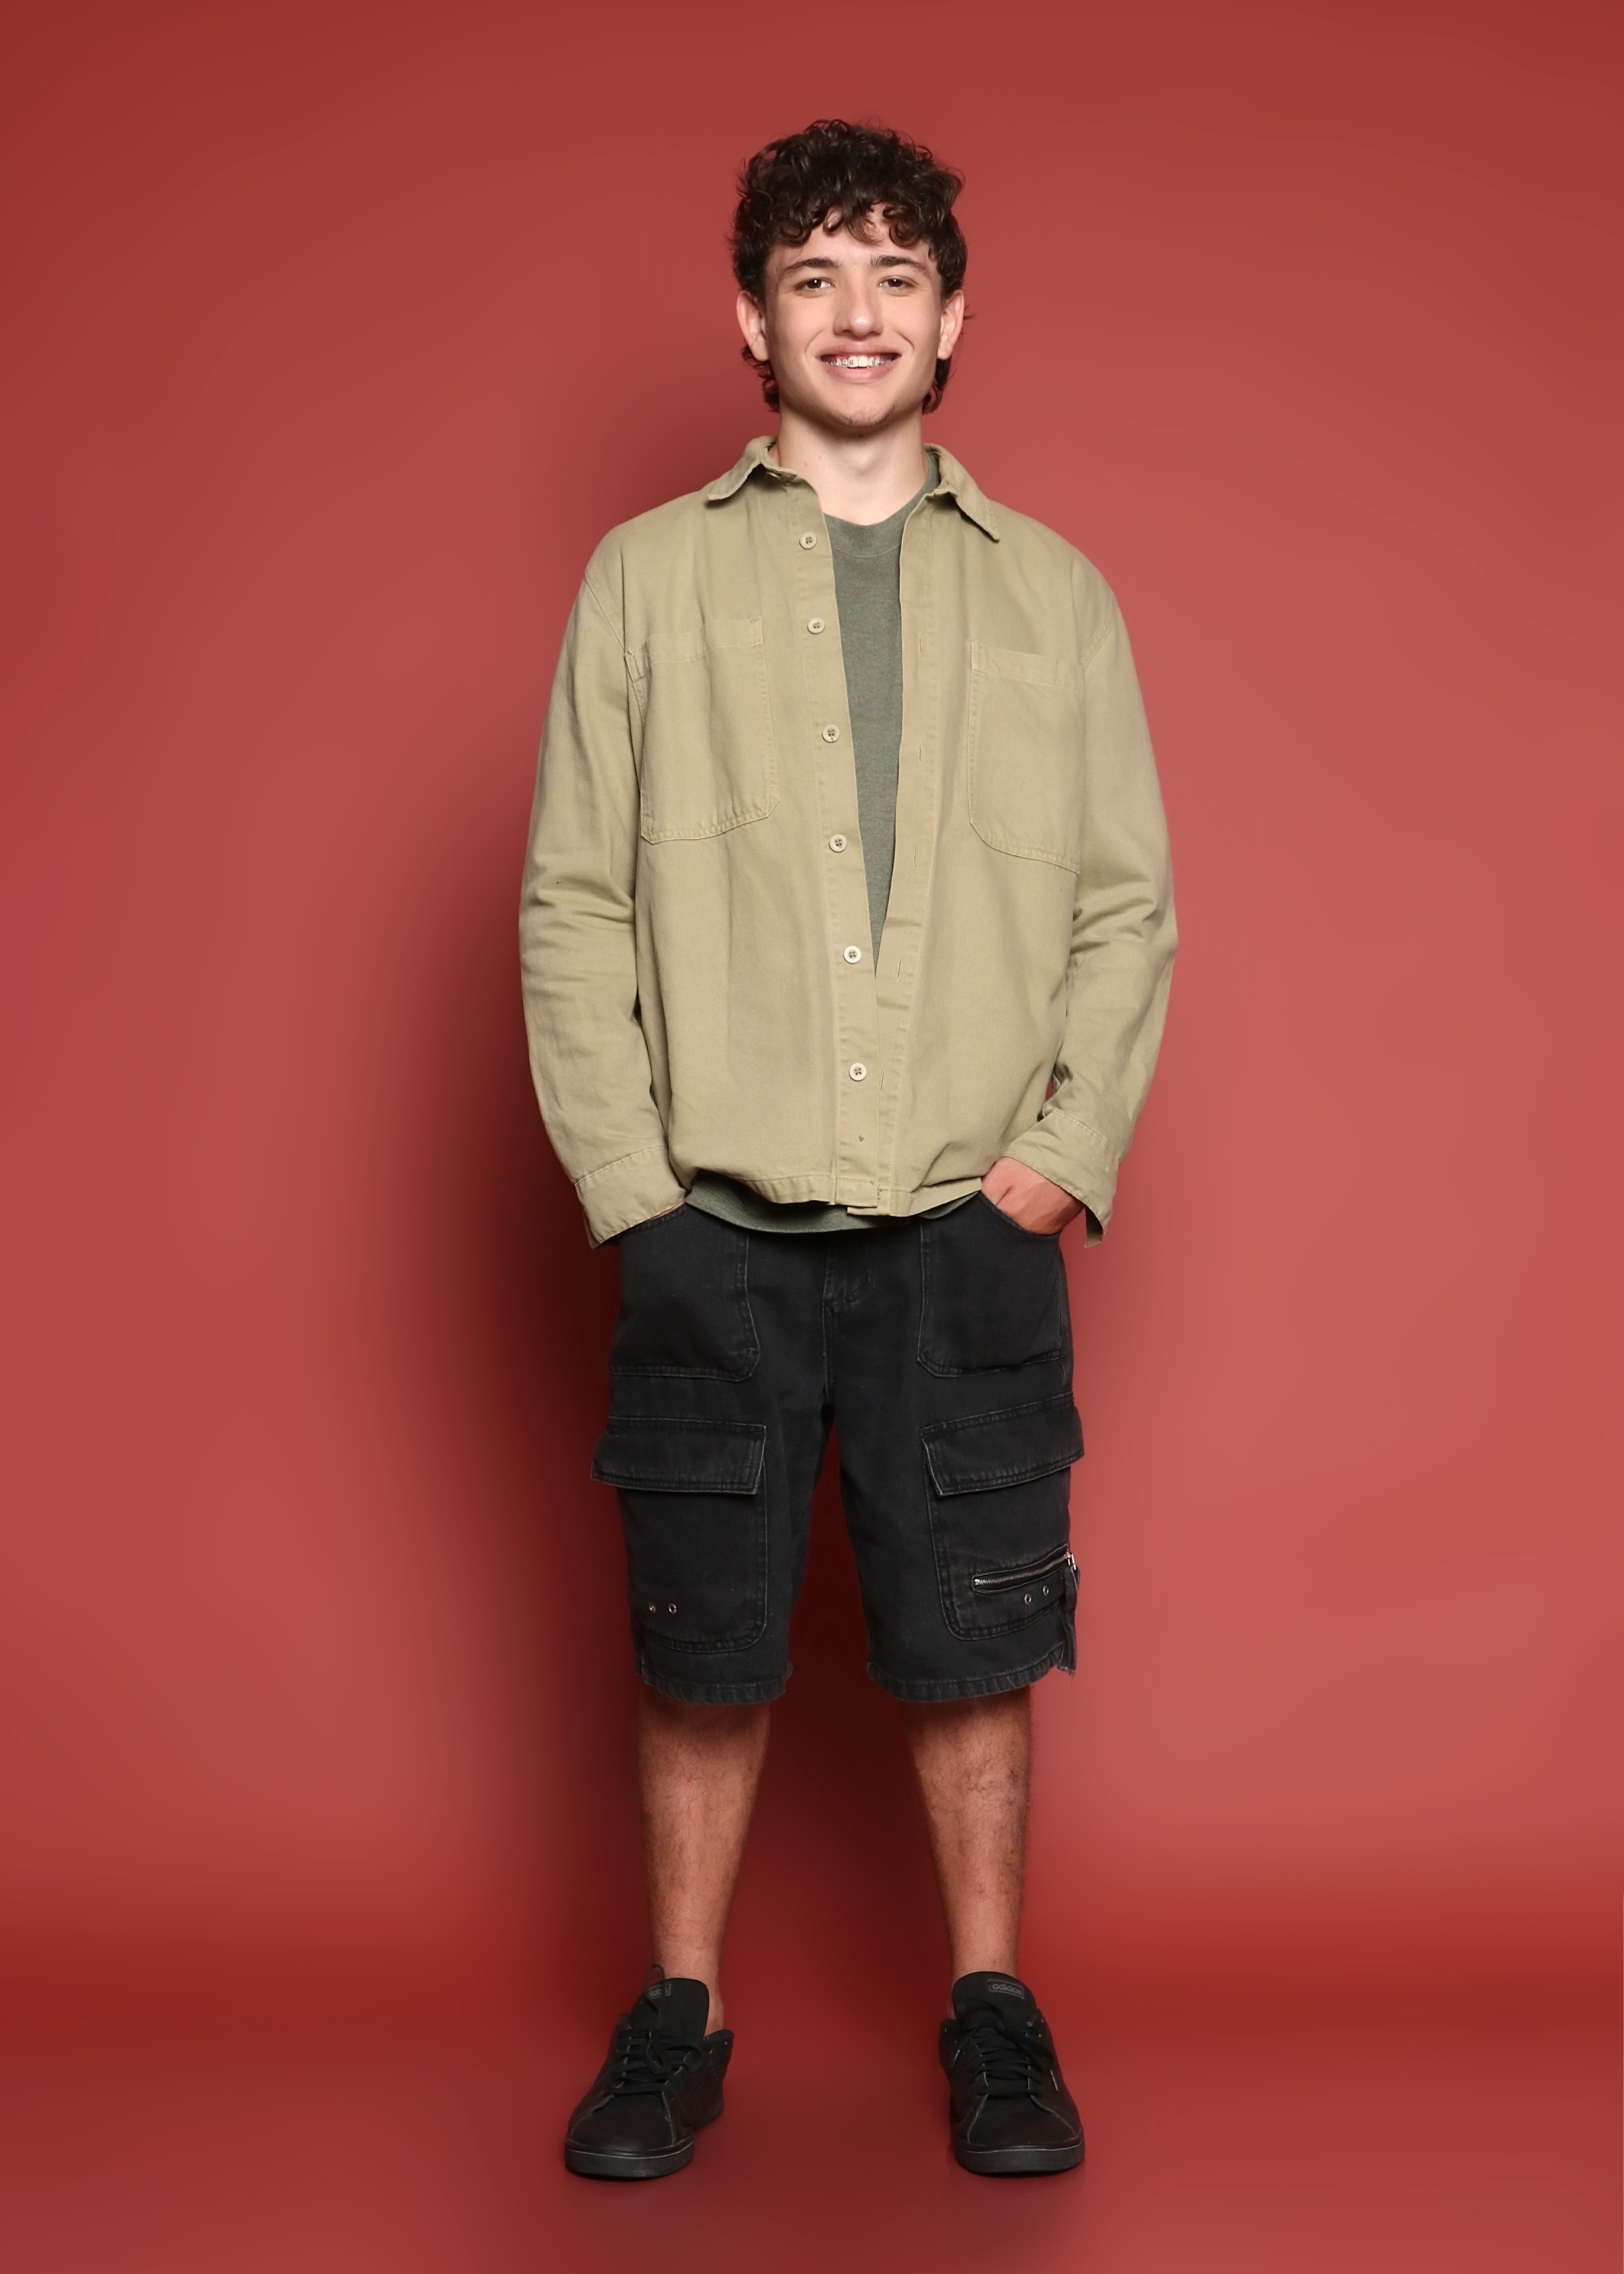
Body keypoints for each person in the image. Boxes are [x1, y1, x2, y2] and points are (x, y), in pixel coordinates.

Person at [519, 118, 1175, 2180]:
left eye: (897, 275)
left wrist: (1061, 1154)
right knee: (702, 1638)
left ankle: (993, 2009)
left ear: (954, 318)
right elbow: (572, 902)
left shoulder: (1056, 597)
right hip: (710, 1218)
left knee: (975, 1634)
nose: (860, 311)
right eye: (816, 276)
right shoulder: (646, 579)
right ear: (753, 318)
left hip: (970, 1215)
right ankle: (680, 2015)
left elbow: (1124, 907)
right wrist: (632, 1189)